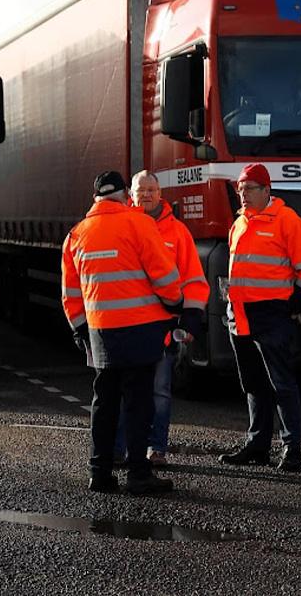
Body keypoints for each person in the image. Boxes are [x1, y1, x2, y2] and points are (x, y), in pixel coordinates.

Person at [61, 170, 183, 494]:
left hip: (101, 331)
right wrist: (176, 305)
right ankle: (138, 474)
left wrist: (79, 328)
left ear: (96, 196)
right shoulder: (139, 224)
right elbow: (165, 275)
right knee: (138, 402)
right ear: (125, 193)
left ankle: (99, 472)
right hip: (141, 329)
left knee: (104, 400)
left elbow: (71, 292)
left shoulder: (77, 234)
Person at [218, 163, 301, 472]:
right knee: (253, 383)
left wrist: (293, 306)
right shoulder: (239, 223)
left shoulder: (287, 221)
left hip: (272, 313)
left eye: (250, 189)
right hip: (241, 314)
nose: (243, 195)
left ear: (267, 190)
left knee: (282, 384)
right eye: (240, 190)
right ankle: (258, 445)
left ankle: (292, 449)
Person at [113, 170, 210, 467]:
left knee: (159, 391)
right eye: (140, 190)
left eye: (151, 190)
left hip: (162, 328)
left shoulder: (177, 232)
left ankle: (156, 449)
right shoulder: (118, 226)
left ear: (160, 193)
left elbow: (193, 278)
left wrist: (191, 319)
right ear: (131, 194)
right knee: (120, 392)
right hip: (124, 325)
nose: (146, 195)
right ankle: (120, 450)